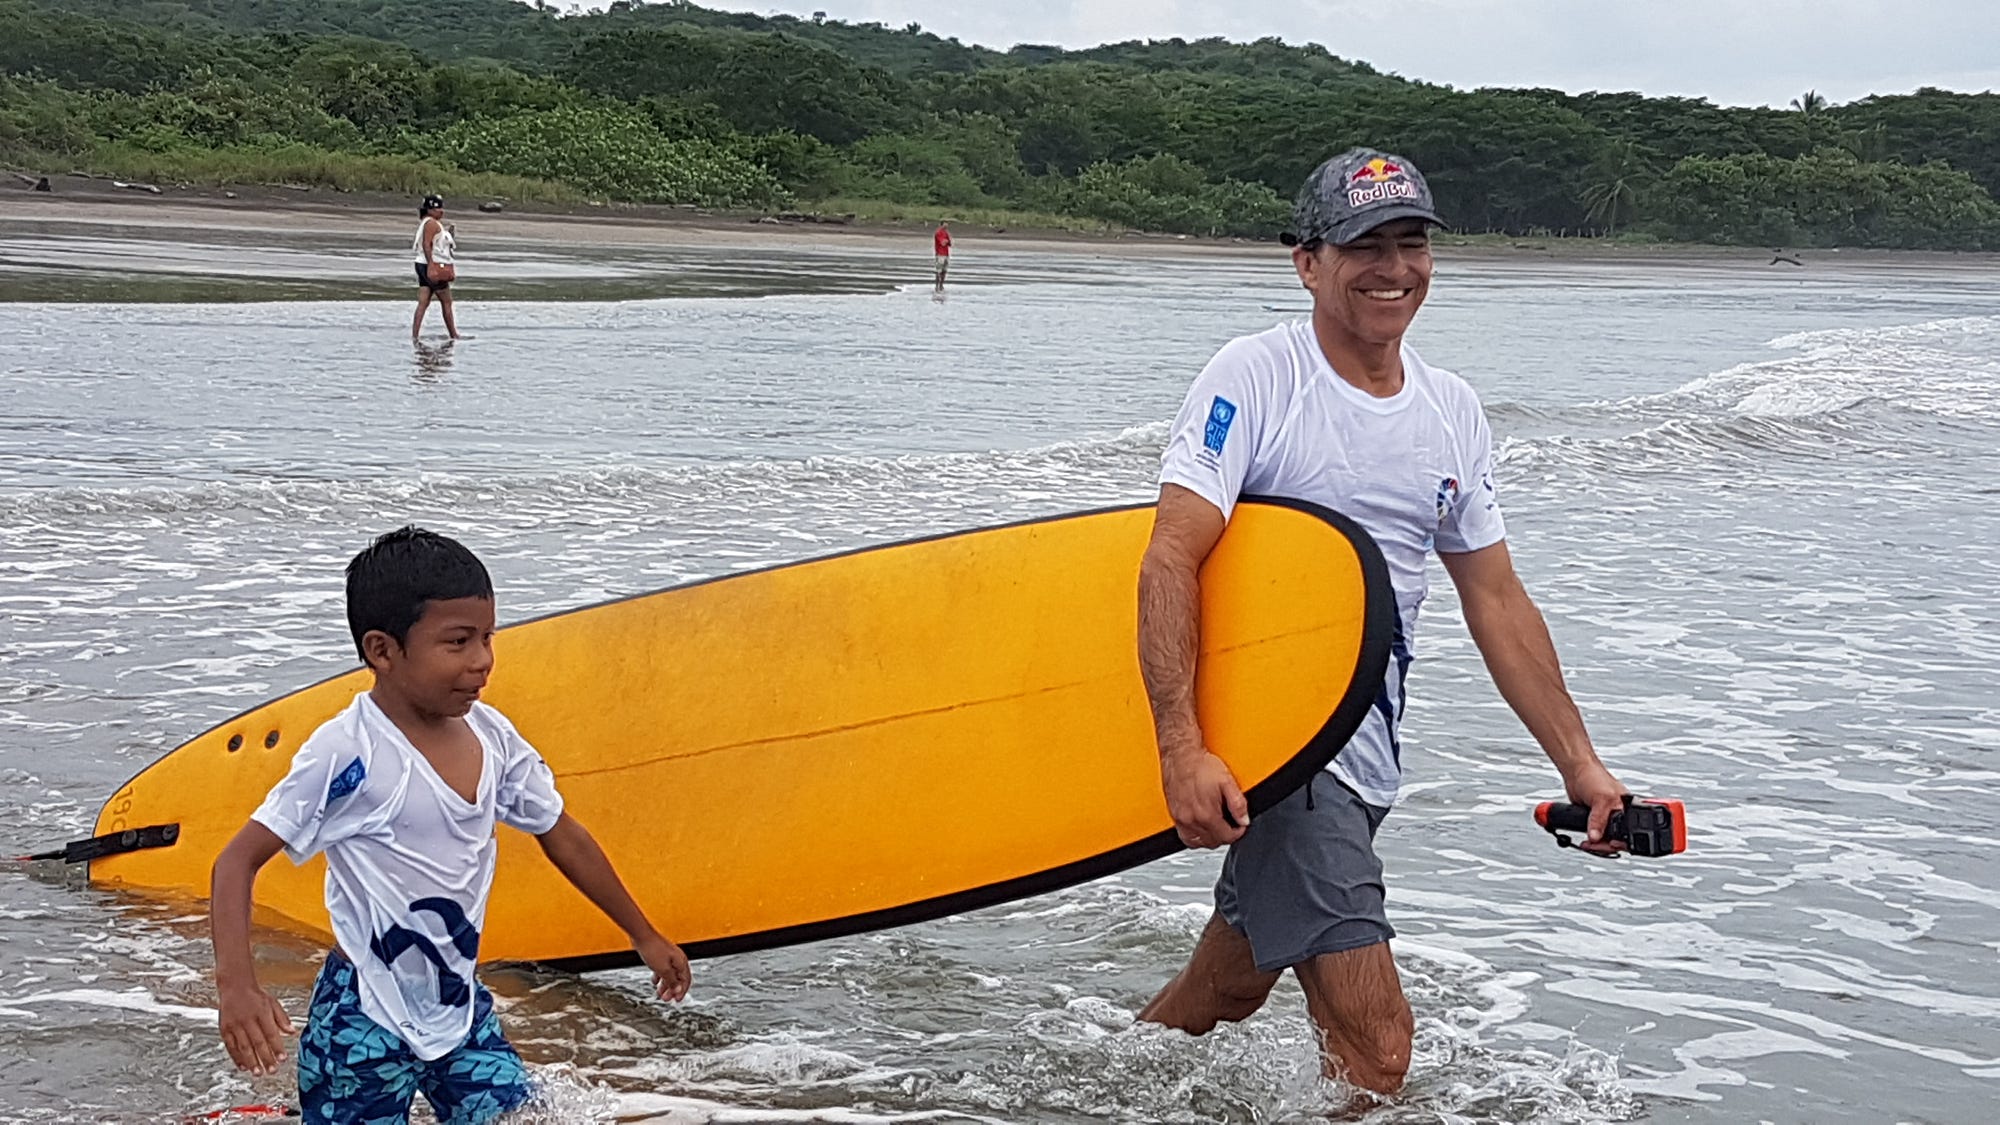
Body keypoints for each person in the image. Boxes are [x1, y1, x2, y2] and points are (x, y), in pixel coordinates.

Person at [1134, 149, 1632, 1095]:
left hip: (1367, 756)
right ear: (1308, 262)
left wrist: (1579, 762)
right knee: (1378, 1051)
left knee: (1227, 987)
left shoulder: (1451, 410)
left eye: (1411, 243)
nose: (1392, 268)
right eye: (1363, 244)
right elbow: (1171, 554)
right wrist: (1180, 744)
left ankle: (1089, 1095)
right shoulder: (1258, 375)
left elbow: (1496, 595)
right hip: (1279, 755)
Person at [209, 527, 690, 1123]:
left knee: (521, 1117)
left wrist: (642, 933)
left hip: (458, 1009)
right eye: (458, 642)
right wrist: (237, 987)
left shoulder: (494, 738)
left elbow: (560, 832)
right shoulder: (348, 754)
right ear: (383, 651)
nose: (483, 661)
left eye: (488, 638)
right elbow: (236, 862)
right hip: (364, 1016)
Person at [412, 194, 462, 341]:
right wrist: (432, 267)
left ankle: (415, 336)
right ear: (429, 210)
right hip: (432, 265)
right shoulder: (431, 224)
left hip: (422, 264)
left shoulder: (427, 223)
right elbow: (427, 245)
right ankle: (453, 334)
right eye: (438, 208)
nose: (441, 211)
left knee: (423, 302)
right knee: (446, 301)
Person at [933, 220, 952, 288]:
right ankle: (937, 285)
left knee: (944, 270)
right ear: (941, 225)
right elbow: (943, 243)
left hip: (946, 254)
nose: (946, 226)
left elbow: (949, 243)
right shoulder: (938, 232)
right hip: (940, 254)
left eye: (947, 225)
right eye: (945, 224)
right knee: (939, 270)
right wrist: (946, 241)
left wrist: (946, 241)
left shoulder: (946, 233)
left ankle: (941, 285)